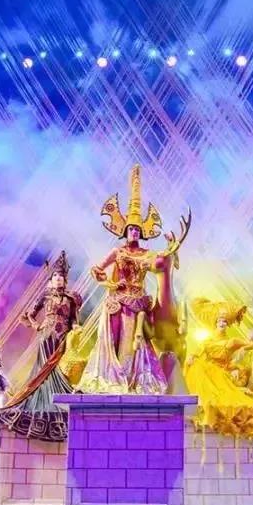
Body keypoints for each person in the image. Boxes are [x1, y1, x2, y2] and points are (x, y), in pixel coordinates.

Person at [79, 164, 181, 395]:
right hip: (117, 303)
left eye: (137, 229)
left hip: (138, 305)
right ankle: (111, 378)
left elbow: (163, 261)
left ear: (141, 232)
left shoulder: (147, 254)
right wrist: (110, 283)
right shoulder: (117, 252)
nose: (134, 232)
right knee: (113, 343)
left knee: (135, 344)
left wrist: (171, 247)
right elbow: (96, 270)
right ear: (124, 231)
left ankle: (133, 381)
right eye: (130, 229)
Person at [0, 251, 80, 442]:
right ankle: (43, 401)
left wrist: (75, 329)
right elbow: (29, 314)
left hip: (63, 338)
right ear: (51, 279)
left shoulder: (71, 299)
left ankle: (61, 398)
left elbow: (73, 320)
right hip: (47, 335)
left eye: (61, 277)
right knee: (45, 370)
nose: (58, 279)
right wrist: (37, 326)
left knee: (61, 369)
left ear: (65, 280)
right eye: (55, 276)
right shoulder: (45, 296)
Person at [183, 298, 253, 441]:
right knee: (199, 372)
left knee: (227, 398)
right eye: (220, 321)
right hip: (208, 370)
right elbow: (199, 351)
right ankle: (201, 411)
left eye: (224, 321)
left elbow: (250, 345)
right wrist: (192, 357)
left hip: (221, 372)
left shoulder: (233, 341)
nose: (222, 323)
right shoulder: (208, 340)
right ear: (215, 323)